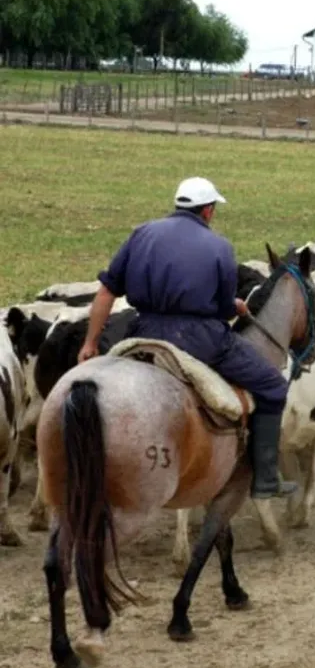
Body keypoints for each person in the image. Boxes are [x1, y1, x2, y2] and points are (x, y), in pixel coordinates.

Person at [78, 176, 297, 500]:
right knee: (272, 386)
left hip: (144, 330)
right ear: (207, 211)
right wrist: (234, 306)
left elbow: (107, 292)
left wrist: (90, 343)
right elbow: (223, 309)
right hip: (201, 339)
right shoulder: (219, 247)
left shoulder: (141, 233)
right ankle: (265, 479)